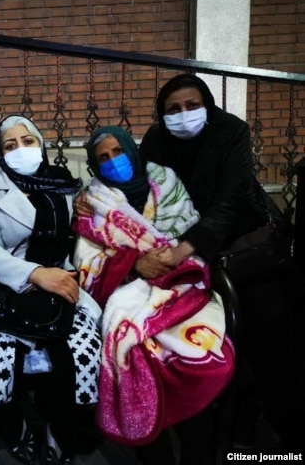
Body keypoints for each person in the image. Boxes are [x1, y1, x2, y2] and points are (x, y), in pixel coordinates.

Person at [137, 73, 303, 449]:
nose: (183, 115)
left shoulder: (231, 132)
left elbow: (231, 203)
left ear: (208, 106)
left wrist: (184, 248)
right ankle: (227, 431)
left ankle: (285, 440)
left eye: (192, 106)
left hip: (248, 256)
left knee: (272, 357)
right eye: (173, 109)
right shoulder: (155, 140)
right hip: (193, 263)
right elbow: (139, 187)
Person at [72, 125, 235, 465]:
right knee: (137, 356)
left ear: (132, 150)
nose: (112, 161)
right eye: (102, 158)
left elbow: (192, 230)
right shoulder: (94, 204)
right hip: (129, 296)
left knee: (197, 357)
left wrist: (170, 260)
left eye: (118, 151)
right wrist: (134, 264)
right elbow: (87, 265)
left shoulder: (167, 185)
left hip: (182, 288)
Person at [0, 115, 103, 465]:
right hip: (8, 289)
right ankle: (14, 427)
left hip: (63, 289)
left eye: (27, 141)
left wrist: (86, 206)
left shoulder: (65, 186)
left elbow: (90, 220)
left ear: (40, 144)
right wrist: (37, 274)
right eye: (10, 145)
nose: (20, 149)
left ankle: (59, 428)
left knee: (79, 350)